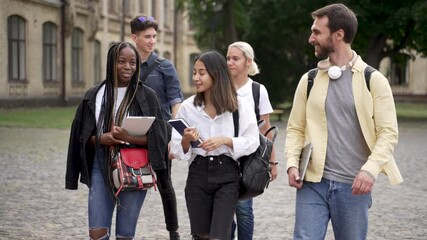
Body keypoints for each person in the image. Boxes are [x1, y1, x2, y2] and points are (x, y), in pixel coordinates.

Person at [285, 3, 403, 240]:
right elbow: (296, 128)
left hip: (353, 186)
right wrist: (291, 163)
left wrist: (370, 171)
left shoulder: (374, 80)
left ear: (339, 35)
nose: (311, 38)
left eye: (317, 32)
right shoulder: (308, 80)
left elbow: (388, 133)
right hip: (312, 184)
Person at [65, 41, 168, 239]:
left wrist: (127, 137)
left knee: (125, 235)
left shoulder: (147, 96)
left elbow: (160, 139)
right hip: (100, 164)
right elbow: (80, 136)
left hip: (134, 165)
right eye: (122, 61)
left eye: (133, 63)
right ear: (111, 62)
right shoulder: (94, 95)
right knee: (97, 233)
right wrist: (101, 139)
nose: (128, 67)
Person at [170, 50, 260, 240]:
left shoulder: (239, 106)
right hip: (197, 175)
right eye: (194, 72)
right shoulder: (187, 107)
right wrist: (186, 139)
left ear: (216, 73)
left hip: (227, 175)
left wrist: (226, 140)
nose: (196, 78)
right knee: (201, 236)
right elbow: (177, 149)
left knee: (220, 236)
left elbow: (253, 141)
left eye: (201, 73)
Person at [130, 15, 183, 240]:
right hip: (131, 132)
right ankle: (126, 231)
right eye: (147, 37)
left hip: (161, 133)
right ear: (135, 38)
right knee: (128, 180)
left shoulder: (165, 66)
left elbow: (176, 102)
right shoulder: (126, 64)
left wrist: (175, 136)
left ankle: (174, 232)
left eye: (154, 36)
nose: (152, 41)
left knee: (164, 183)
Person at [226, 41, 277, 240]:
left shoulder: (257, 90)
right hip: (223, 156)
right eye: (228, 58)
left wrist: (272, 162)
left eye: (235, 58)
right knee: (224, 211)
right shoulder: (219, 87)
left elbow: (266, 129)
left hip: (248, 159)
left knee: (244, 209)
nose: (230, 62)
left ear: (248, 62)